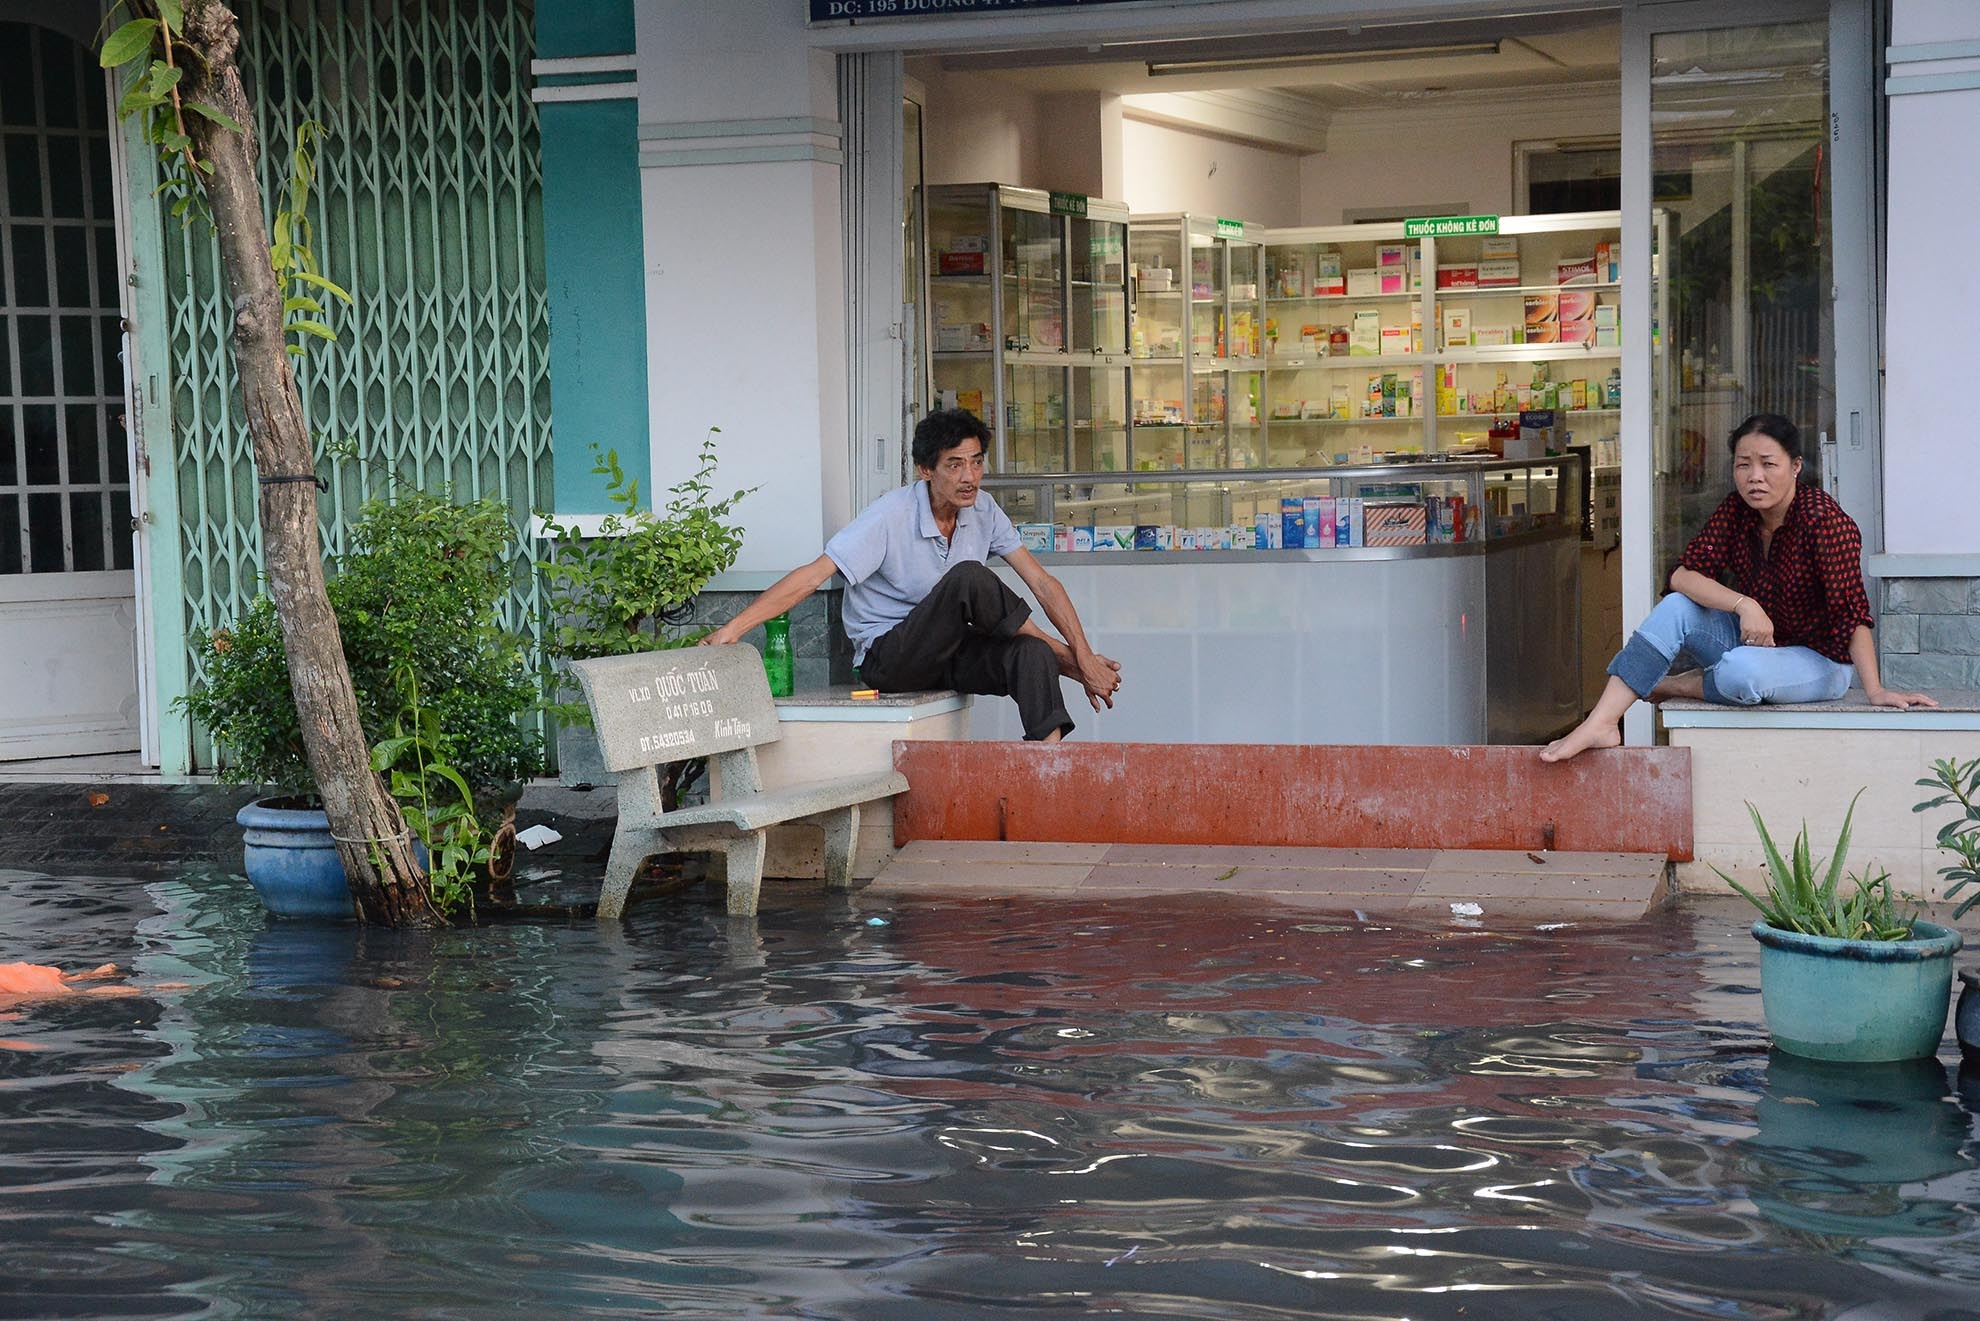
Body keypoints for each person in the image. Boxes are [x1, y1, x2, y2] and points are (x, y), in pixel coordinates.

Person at [700, 408, 1120, 740]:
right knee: (969, 578)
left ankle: (1047, 766)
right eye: (954, 465)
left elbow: (1042, 582)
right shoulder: (889, 515)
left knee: (1030, 654)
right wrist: (732, 629)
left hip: (950, 654)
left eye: (976, 463)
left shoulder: (985, 509)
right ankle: (1069, 661)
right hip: (890, 660)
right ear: (925, 470)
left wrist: (1082, 649)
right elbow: (812, 576)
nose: (969, 477)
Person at [1542, 412, 1935, 763]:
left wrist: (1876, 690)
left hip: (1821, 660)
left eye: (1768, 464)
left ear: (1796, 466)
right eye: (1743, 465)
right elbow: (1682, 575)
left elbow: (1852, 613)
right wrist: (1744, 604)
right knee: (1678, 606)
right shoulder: (1736, 511)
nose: (1755, 477)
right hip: (1756, 639)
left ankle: (1682, 684)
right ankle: (1604, 722)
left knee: (1742, 672)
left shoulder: (1825, 522)